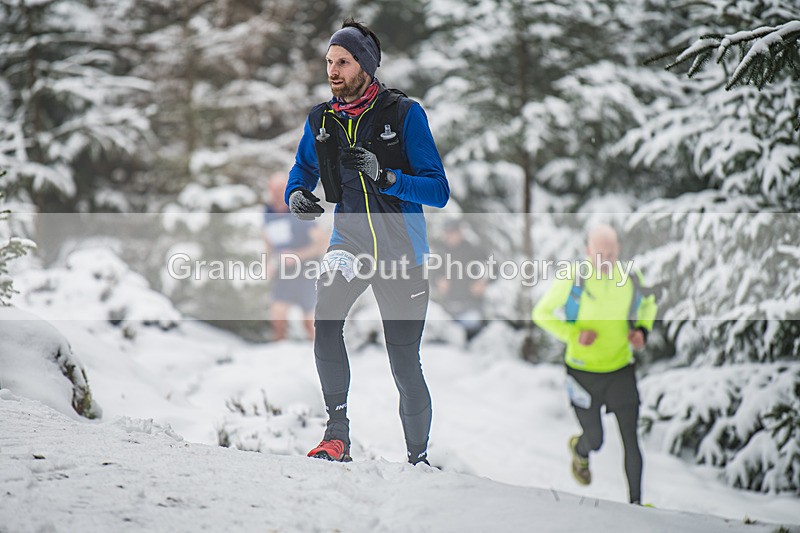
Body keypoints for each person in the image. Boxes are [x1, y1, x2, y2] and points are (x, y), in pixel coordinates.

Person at [285, 18, 449, 465]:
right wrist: (297, 195)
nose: (332, 71)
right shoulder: (322, 121)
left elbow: (438, 190)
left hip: (403, 257)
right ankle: (336, 435)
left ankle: (418, 459)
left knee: (404, 364)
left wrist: (387, 175)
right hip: (349, 246)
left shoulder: (403, 114)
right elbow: (301, 172)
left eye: (343, 61)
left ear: (366, 67)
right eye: (328, 62)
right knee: (327, 319)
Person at [532, 224, 657, 505]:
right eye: (599, 254)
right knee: (596, 439)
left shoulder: (630, 276)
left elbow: (648, 304)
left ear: (618, 251)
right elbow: (541, 313)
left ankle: (636, 504)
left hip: (620, 369)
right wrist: (573, 334)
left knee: (630, 439)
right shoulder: (573, 278)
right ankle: (580, 449)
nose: (605, 261)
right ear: (588, 252)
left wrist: (642, 331)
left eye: (611, 254)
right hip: (582, 372)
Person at [263, 172, 327, 341]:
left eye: (281, 188)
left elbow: (322, 243)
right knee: (277, 315)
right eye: (274, 188)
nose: (277, 192)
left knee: (309, 322)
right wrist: (269, 261)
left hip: (307, 269)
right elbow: (268, 239)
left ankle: (319, 354)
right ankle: (278, 355)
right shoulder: (268, 211)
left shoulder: (299, 210)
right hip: (284, 269)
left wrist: (297, 255)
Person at [431, 218, 489, 340]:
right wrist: (437, 282)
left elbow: (493, 267)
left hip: (470, 306)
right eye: (447, 233)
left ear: (460, 233)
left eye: (453, 232)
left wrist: (483, 281)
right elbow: (429, 275)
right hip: (445, 308)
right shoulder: (439, 252)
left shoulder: (474, 250)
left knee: (472, 323)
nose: (449, 236)